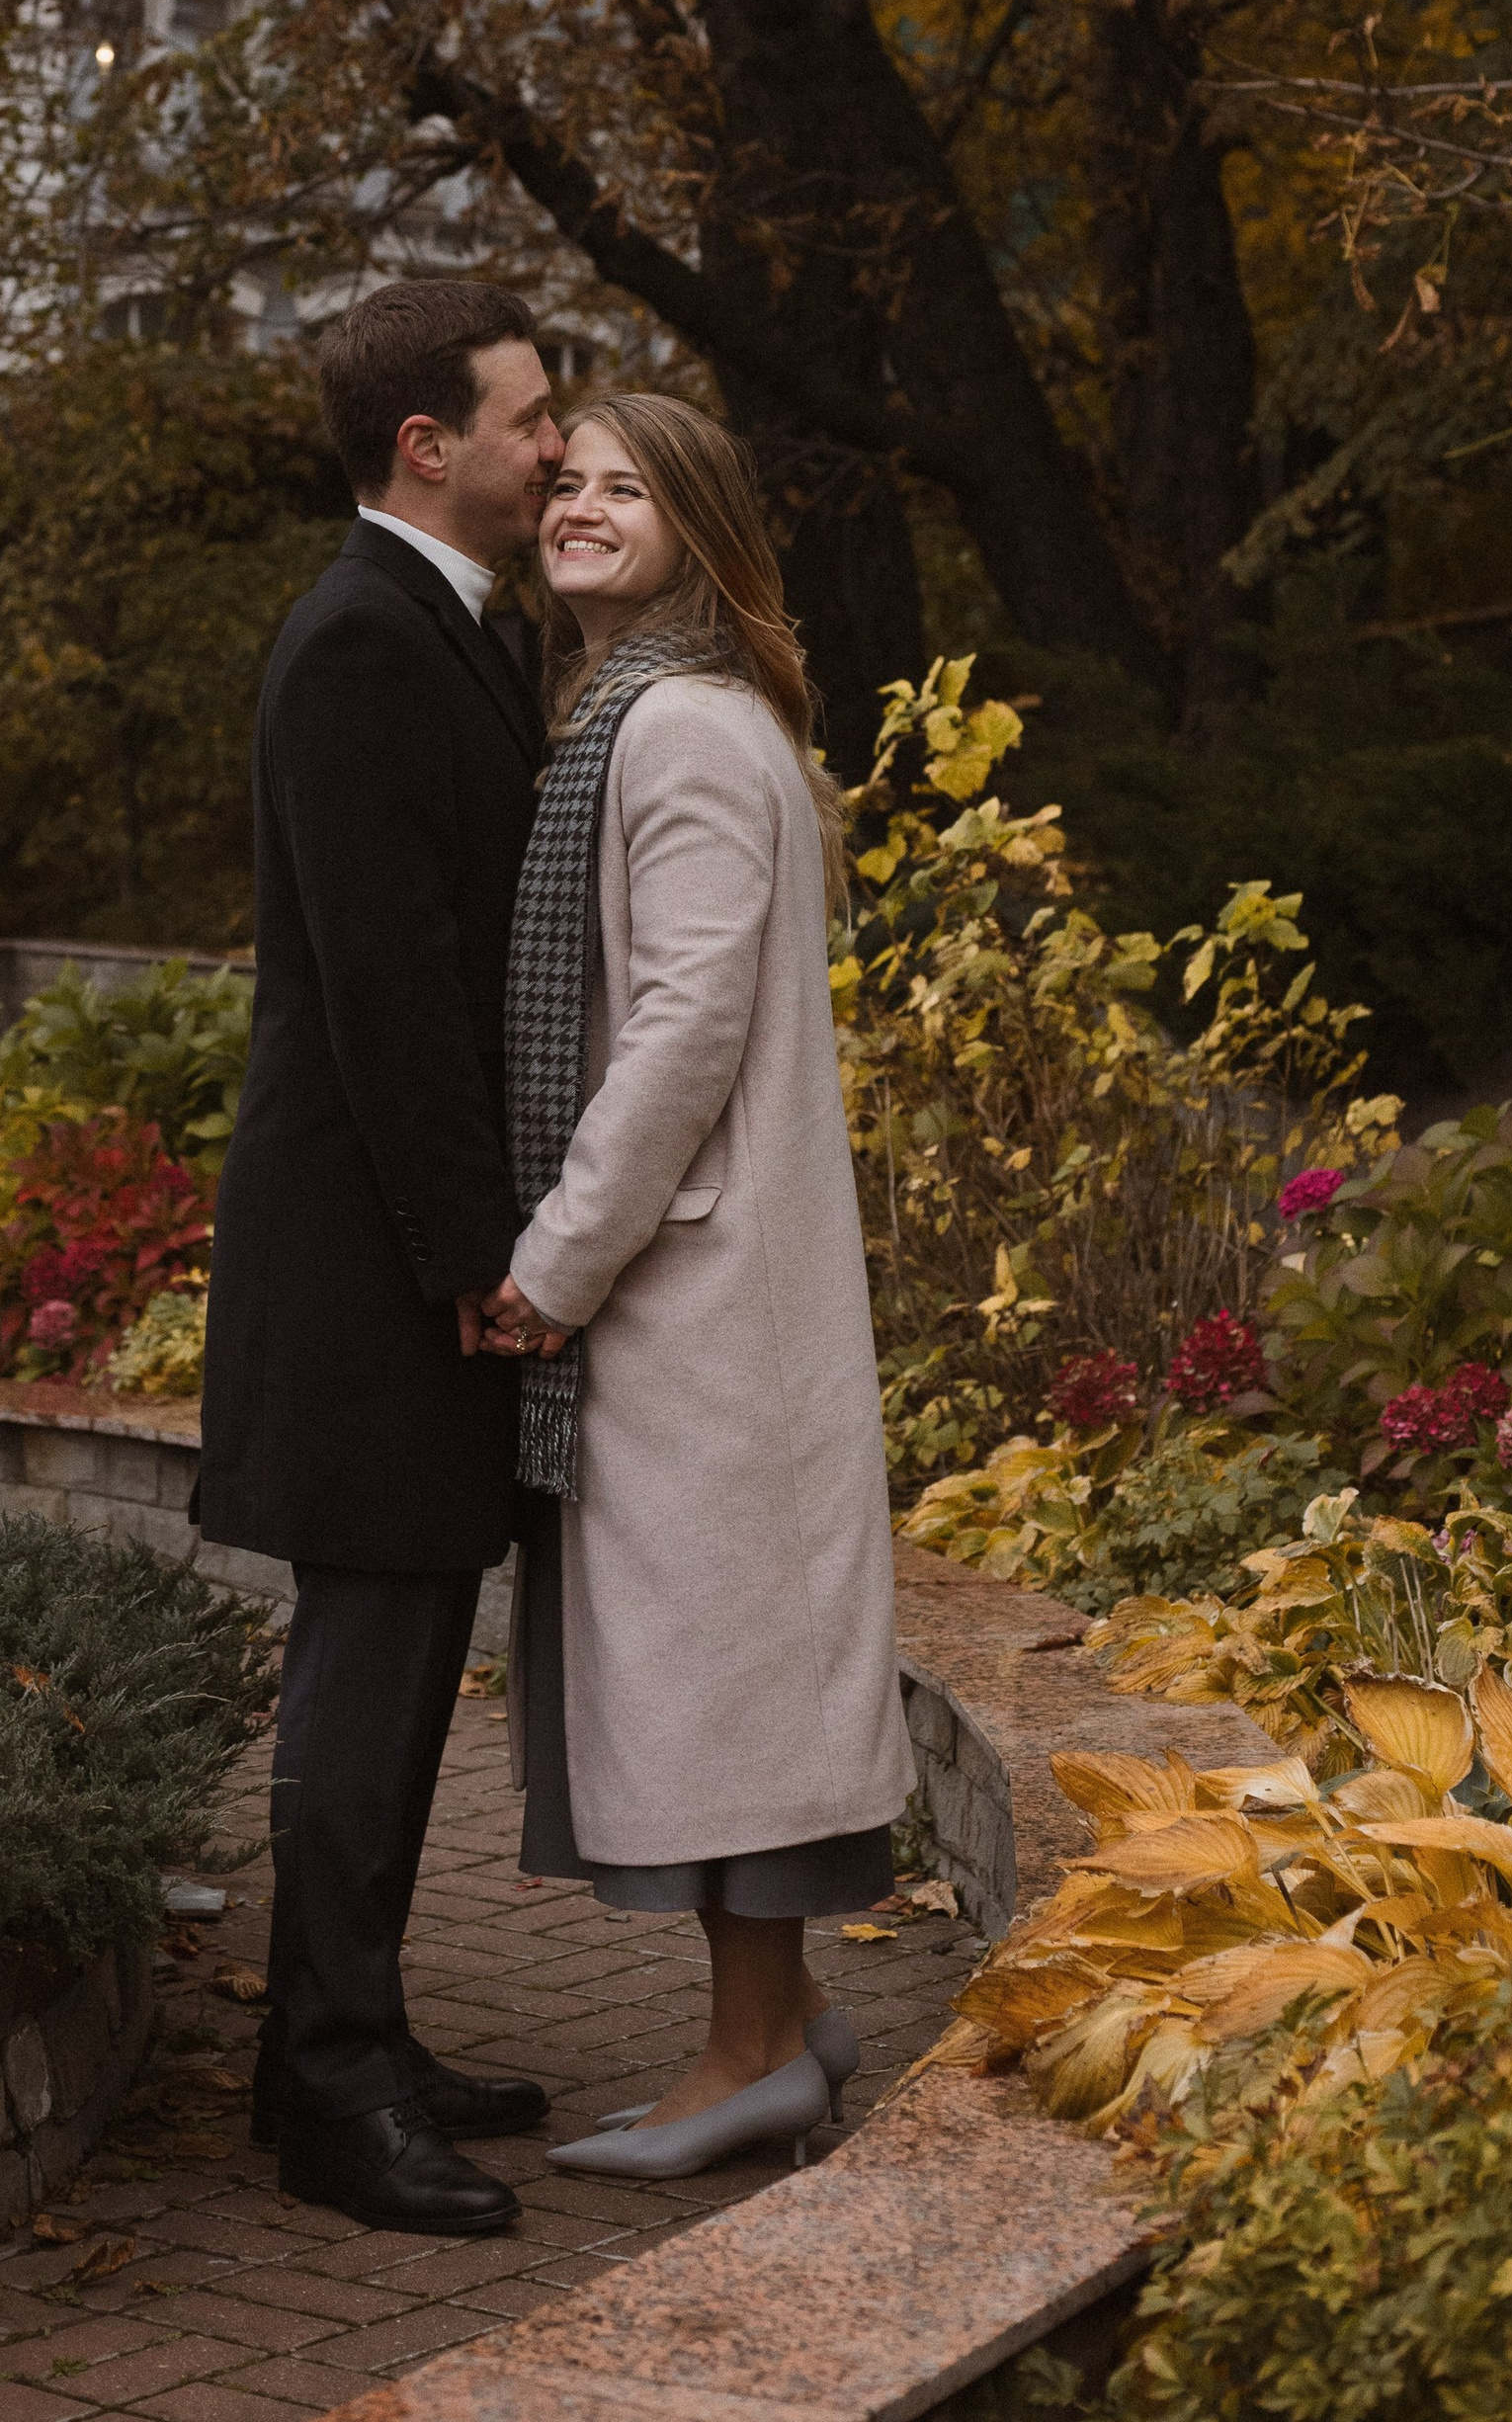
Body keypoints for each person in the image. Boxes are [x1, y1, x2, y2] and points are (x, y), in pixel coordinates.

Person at [477, 392, 915, 2181]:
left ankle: (746, 2062)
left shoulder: (674, 729)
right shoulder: (657, 713)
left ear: (699, 526)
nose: (582, 505)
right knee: (727, 1667)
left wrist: (555, 1262)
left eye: (628, 488)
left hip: (698, 1287)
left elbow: (681, 1028)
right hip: (706, 1283)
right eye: (568, 481)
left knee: (729, 1679)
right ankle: (787, 2024)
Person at [199, 278, 563, 2238]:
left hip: (399, 1240)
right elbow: (387, 992)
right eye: (528, 417)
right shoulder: (356, 639)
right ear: (428, 445)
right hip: (367, 1251)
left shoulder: (451, 624)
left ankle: (342, 2041)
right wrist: (473, 1253)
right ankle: (333, 2092)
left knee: (411, 1648)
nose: (555, 447)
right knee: (369, 1655)